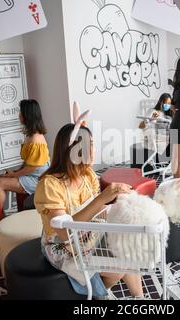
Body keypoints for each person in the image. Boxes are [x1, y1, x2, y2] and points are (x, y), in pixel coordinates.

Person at [34, 122, 144, 299]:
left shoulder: (88, 175)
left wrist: (121, 206)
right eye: (90, 145)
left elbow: (98, 211)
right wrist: (102, 198)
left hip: (90, 230)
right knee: (117, 269)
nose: (94, 149)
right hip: (61, 246)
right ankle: (98, 295)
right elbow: (65, 233)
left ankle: (141, 299)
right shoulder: (49, 185)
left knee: (127, 247)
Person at [0, 99, 50, 210]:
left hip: (38, 179)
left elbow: (32, 168)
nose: (19, 115)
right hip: (33, 174)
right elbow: (28, 162)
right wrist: (15, 172)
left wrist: (14, 175)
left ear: (27, 115)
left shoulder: (35, 139)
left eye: (21, 112)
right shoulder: (31, 135)